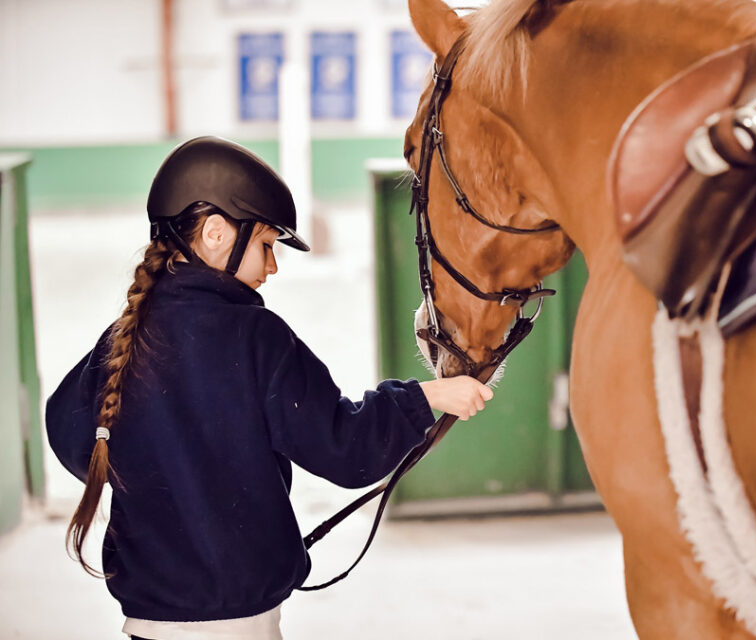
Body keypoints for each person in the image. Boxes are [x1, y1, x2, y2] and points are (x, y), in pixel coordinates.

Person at [45, 135, 493, 640]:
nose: (273, 266)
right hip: (241, 626)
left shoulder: (123, 339)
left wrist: (164, 475)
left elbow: (71, 435)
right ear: (215, 233)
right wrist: (429, 397)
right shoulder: (258, 338)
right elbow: (345, 450)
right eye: (265, 245)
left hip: (146, 623)